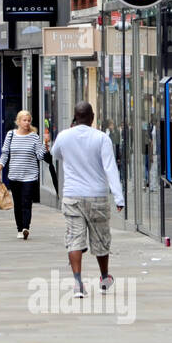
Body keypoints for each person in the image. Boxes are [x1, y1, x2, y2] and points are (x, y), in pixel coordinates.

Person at [50, 101, 124, 297]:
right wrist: (119, 197)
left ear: (75, 117)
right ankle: (104, 277)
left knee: (74, 239)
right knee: (101, 238)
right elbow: (110, 168)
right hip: (97, 196)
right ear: (92, 117)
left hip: (72, 195)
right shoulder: (101, 138)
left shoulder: (64, 136)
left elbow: (55, 153)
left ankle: (77, 283)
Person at [0, 110, 49, 240]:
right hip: (14, 175)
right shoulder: (11, 135)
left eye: (28, 121)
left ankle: (26, 227)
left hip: (30, 176)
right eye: (24, 120)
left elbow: (39, 155)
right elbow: (5, 154)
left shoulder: (34, 137)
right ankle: (19, 229)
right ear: (18, 121)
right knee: (18, 203)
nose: (27, 123)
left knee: (26, 202)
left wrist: (46, 144)